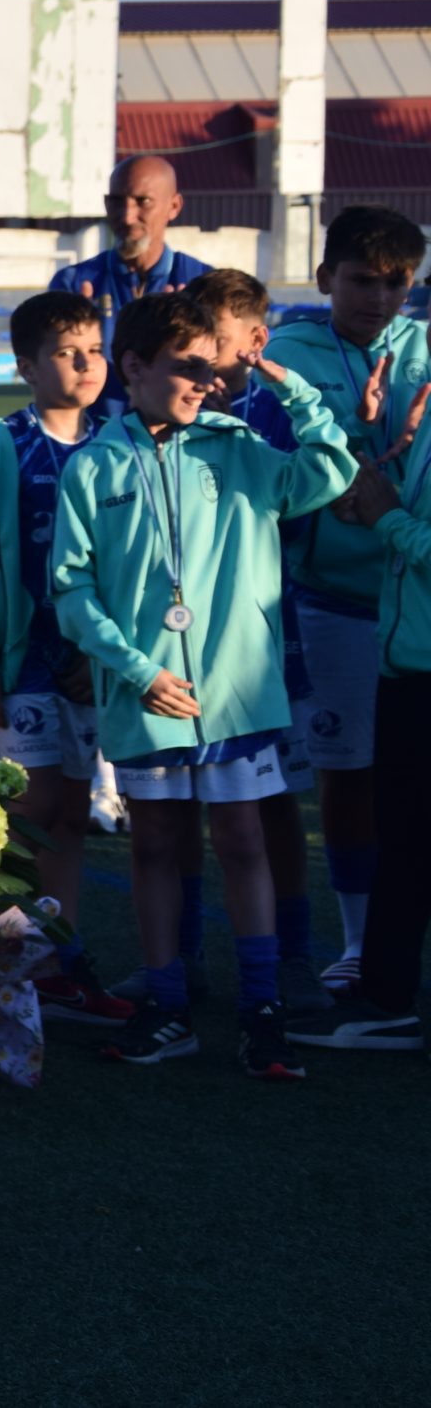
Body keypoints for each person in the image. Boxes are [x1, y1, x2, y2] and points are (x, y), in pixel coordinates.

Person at [52, 293, 355, 1080]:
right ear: (134, 367)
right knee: (155, 844)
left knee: (244, 842)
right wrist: (138, 670)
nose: (205, 382)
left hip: (234, 694)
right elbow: (72, 590)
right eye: (187, 368)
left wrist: (289, 385)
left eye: (211, 367)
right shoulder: (93, 466)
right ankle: (169, 1007)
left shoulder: (238, 445)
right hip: (146, 694)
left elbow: (330, 471)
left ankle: (261, 1010)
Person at [0, 292, 131, 1025]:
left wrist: (108, 654)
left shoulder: (119, 440)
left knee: (72, 815)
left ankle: (56, 959)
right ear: (25, 366)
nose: (85, 365)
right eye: (66, 352)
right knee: (31, 814)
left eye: (95, 351)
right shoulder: (2, 443)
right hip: (21, 664)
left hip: (91, 662)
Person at [259, 205, 430, 994]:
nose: (380, 299)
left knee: (400, 784)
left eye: (397, 284)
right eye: (363, 281)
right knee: (346, 776)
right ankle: (356, 941)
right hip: (330, 601)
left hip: (413, 601)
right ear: (326, 277)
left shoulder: (423, 349)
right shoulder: (286, 354)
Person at [185, 268, 341, 1015]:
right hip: (182, 648)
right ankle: (181, 954)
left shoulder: (273, 416)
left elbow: (305, 504)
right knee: (178, 805)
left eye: (214, 338)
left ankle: (293, 956)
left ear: (255, 340)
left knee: (274, 801)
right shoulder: (172, 406)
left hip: (264, 644)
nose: (200, 353)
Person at [289, 364, 431, 1053]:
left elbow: (413, 532)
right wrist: (384, 511)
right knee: (403, 840)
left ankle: (387, 999)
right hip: (406, 660)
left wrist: (389, 519)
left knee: (408, 841)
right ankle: (386, 999)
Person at [47, 155, 211, 400]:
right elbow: (51, 374)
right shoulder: (72, 283)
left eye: (143, 202)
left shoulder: (202, 283)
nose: (127, 216)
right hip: (96, 423)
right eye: (116, 201)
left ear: (174, 206)